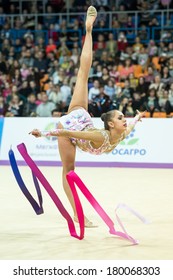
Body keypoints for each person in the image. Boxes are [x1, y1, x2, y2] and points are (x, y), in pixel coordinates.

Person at [30, 6, 146, 227]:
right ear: (111, 124)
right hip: (70, 126)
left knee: (83, 75)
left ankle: (88, 31)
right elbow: (66, 132)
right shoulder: (101, 137)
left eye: (124, 118)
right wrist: (43, 133)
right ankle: (77, 214)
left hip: (81, 116)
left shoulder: (120, 134)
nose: (125, 119)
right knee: (69, 171)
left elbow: (130, 126)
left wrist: (137, 118)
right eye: (121, 117)